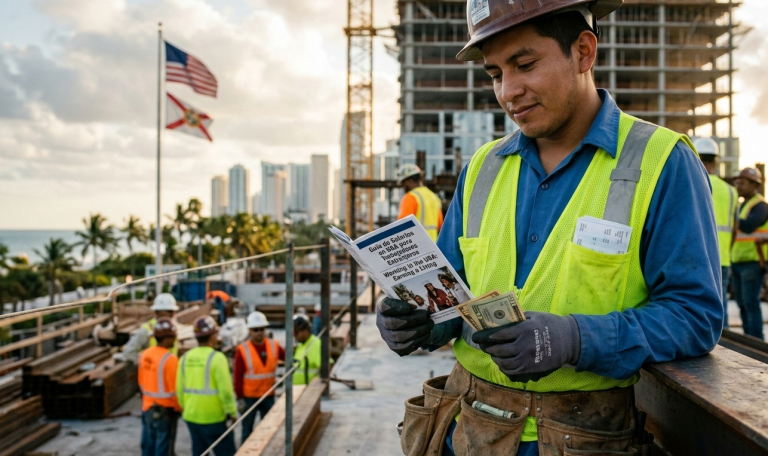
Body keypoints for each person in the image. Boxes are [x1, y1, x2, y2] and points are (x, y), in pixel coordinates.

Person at [375, 1, 722, 455]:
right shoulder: (482, 168)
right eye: (496, 73)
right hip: (469, 429)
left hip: (582, 436)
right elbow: (455, 295)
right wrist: (422, 321)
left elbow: (695, 316)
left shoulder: (662, 163)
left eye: (525, 64)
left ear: (583, 52)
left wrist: (575, 338)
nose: (508, 92)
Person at [694, 137, 739, 329]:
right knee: (721, 308)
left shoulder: (693, 182)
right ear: (716, 160)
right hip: (724, 257)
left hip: (698, 255)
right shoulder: (731, 191)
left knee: (696, 309)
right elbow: (735, 227)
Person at [177, 316, 237, 456]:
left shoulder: (185, 358)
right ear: (213, 336)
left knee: (199, 452)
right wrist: (232, 412)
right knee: (225, 452)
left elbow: (179, 390)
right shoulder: (217, 358)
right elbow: (226, 391)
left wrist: (186, 409)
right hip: (214, 418)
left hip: (191, 417)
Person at [234, 311, 285, 443]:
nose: (259, 332)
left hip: (268, 395)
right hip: (249, 397)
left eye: (262, 329)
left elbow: (287, 357)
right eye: (256, 330)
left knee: (269, 428)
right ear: (250, 331)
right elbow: (237, 376)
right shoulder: (242, 349)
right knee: (247, 430)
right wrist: (239, 397)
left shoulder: (273, 345)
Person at [731, 167, 768, 340]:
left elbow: (747, 226)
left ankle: (756, 341)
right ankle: (749, 340)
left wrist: (733, 215)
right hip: (738, 261)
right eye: (737, 182)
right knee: (742, 304)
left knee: (750, 303)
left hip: (753, 262)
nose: (738, 186)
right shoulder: (742, 205)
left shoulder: (760, 205)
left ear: (754, 185)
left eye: (743, 183)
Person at [138, 317, 181, 456]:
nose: (175, 339)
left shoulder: (145, 355)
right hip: (165, 411)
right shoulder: (170, 359)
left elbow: (141, 381)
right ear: (166, 338)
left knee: (148, 446)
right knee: (163, 448)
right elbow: (175, 390)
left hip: (147, 407)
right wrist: (180, 408)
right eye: (173, 336)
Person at [124, 293, 179, 364]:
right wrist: (147, 364)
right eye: (170, 311)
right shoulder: (146, 329)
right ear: (157, 312)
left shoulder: (173, 327)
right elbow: (129, 351)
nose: (173, 314)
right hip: (153, 373)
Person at [396, 163, 444, 241]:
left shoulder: (410, 197)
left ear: (409, 180)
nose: (403, 187)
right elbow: (440, 225)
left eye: (403, 183)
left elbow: (401, 227)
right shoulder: (433, 197)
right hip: (433, 246)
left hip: (416, 247)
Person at [292, 315, 322, 385]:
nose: (294, 336)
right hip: (298, 389)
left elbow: (327, 368)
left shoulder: (316, 344)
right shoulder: (301, 345)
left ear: (305, 330)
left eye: (296, 332)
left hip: (309, 390)